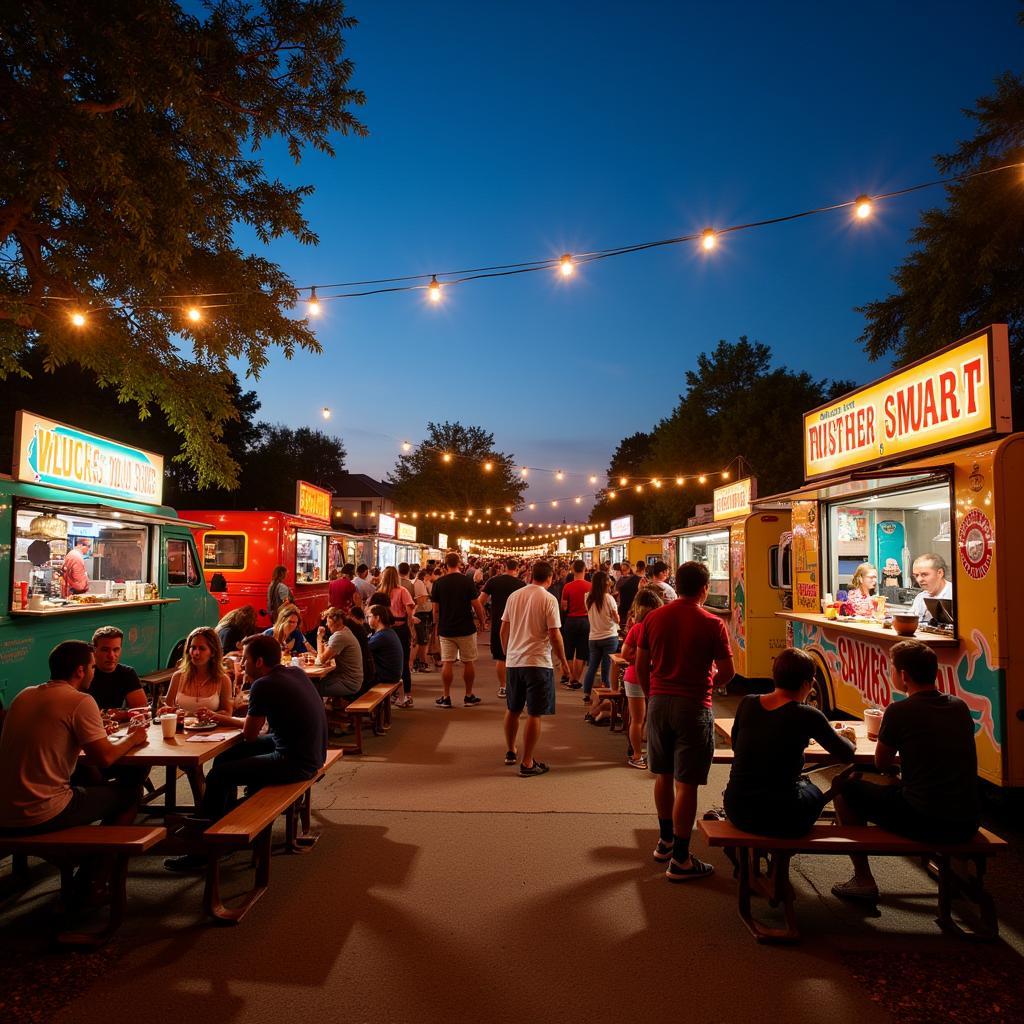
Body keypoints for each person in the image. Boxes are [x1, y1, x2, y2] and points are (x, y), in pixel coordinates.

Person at [831, 639, 979, 902]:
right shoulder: (959, 707)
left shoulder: (899, 711)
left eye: (891, 668)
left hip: (925, 820)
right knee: (892, 784)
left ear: (903, 675)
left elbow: (881, 764)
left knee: (844, 787)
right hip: (967, 820)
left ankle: (863, 878)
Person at [164, 633, 327, 871]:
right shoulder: (294, 672)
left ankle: (204, 848)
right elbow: (257, 732)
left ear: (259, 662)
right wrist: (225, 718)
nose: (241, 665)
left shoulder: (264, 684)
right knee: (224, 758)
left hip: (296, 761)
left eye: (245, 660)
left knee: (219, 775)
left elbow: (251, 734)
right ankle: (221, 822)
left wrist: (222, 718)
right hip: (312, 752)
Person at [635, 560, 734, 882]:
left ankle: (665, 841)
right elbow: (728, 673)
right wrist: (713, 678)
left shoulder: (654, 617)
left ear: (677, 585)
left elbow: (641, 665)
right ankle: (680, 857)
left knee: (662, 775)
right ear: (704, 589)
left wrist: (653, 698)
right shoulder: (712, 623)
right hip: (693, 706)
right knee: (686, 783)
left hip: (660, 703)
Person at [0, 640, 148, 837]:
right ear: (80, 670)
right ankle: (97, 862)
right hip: (42, 810)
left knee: (91, 780)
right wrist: (133, 737)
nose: (94, 672)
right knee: (131, 794)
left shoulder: (23, 695)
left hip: (5, 808)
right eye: (92, 667)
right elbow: (105, 758)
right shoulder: (80, 700)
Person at [723, 648, 856, 836]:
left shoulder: (748, 703)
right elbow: (846, 753)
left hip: (736, 808)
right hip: (782, 816)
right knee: (813, 790)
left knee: (799, 785)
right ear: (806, 684)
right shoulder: (807, 715)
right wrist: (848, 737)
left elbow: (736, 745)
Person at [500, 560, 571, 776]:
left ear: (531, 575)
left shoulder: (515, 596)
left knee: (513, 709)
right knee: (534, 713)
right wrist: (564, 663)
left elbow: (504, 628)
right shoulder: (549, 599)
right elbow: (554, 634)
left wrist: (507, 653)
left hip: (514, 661)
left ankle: (511, 750)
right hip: (538, 662)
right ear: (549, 578)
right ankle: (528, 762)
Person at [431, 552, 488, 708]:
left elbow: (435, 610)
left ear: (445, 564)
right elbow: (476, 605)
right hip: (466, 627)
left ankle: (446, 696)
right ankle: (468, 695)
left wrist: (436, 627)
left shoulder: (439, 583)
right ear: (459, 564)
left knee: (447, 662)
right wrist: (482, 621)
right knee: (468, 662)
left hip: (446, 628)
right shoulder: (466, 582)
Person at [617, 588, 663, 767]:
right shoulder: (656, 628)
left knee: (637, 719)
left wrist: (639, 657)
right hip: (653, 677)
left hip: (635, 675)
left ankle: (637, 755)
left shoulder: (636, 628)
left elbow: (624, 654)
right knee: (648, 719)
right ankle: (643, 755)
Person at [160, 627, 233, 716]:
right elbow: (167, 711)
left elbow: (227, 712)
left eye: (202, 648)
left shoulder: (223, 680)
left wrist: (209, 715)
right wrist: (166, 711)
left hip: (212, 729)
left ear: (213, 652)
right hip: (181, 729)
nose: (196, 653)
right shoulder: (178, 677)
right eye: (193, 648)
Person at [484, 558, 526, 699]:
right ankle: (516, 686)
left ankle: (503, 687)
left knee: (500, 658)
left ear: (504, 567)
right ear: (517, 568)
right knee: (518, 656)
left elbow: (480, 601)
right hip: (517, 624)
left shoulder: (493, 581)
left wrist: (484, 617)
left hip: (498, 623)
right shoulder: (521, 585)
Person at [376, 566, 417, 702]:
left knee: (384, 662)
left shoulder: (379, 592)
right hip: (400, 630)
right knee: (403, 662)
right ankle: (407, 695)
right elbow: (409, 613)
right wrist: (412, 629)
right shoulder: (402, 591)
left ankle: (390, 694)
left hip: (383, 631)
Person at [88, 625, 149, 714]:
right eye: (105, 650)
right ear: (94, 650)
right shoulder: (85, 674)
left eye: (116, 649)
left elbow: (142, 709)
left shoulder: (127, 673)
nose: (111, 655)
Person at [582, 570, 619, 707]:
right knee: (606, 668)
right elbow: (616, 617)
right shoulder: (609, 598)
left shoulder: (587, 597)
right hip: (609, 636)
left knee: (592, 666)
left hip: (593, 637)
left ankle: (586, 695)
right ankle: (605, 696)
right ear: (605, 583)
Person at [314, 607, 364, 701]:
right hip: (351, 680)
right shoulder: (345, 631)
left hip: (348, 683)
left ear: (333, 621)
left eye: (327, 621)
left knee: (312, 688)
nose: (326, 624)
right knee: (316, 683)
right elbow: (326, 656)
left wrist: (319, 637)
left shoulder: (339, 636)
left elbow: (320, 661)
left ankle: (317, 714)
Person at [560, 560, 591, 691]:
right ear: (585, 570)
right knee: (582, 652)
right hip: (586, 621)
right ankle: (576, 679)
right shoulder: (591, 586)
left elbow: (563, 606)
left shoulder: (568, 586)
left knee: (569, 651)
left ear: (573, 570)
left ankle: (570, 677)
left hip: (571, 621)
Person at [367, 604, 406, 691]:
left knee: (357, 682)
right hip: (392, 675)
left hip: (387, 677)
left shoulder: (382, 636)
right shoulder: (387, 632)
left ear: (377, 618)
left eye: (369, 616)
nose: (367, 620)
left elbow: (363, 650)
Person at [909, 553, 953, 622]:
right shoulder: (920, 597)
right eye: (916, 575)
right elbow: (910, 619)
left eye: (924, 574)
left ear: (940, 573)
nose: (919, 580)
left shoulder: (956, 595)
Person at [412, 566, 435, 672]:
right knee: (422, 639)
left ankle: (416, 662)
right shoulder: (420, 583)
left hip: (415, 614)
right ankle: (422, 663)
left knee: (417, 639)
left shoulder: (411, 582)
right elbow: (424, 599)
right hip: (421, 613)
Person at [615, 561, 640, 626]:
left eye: (624, 570)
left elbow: (616, 591)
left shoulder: (621, 580)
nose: (623, 572)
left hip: (624, 605)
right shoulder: (637, 578)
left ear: (629, 569)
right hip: (633, 604)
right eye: (622, 570)